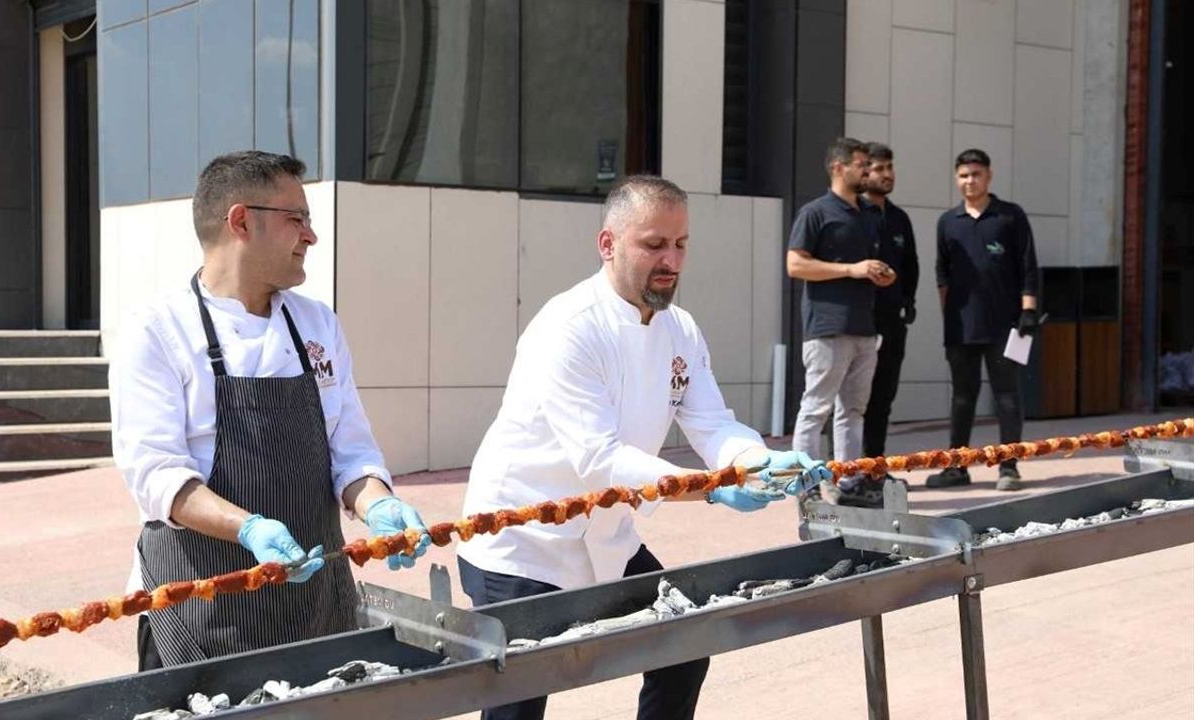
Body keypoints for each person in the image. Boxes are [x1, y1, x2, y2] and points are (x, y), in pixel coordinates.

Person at [455, 175, 831, 720]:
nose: (671, 260)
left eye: (680, 245)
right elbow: (600, 460)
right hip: (521, 541)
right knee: (519, 700)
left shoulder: (680, 329)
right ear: (607, 244)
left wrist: (754, 464)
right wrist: (713, 490)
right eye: (654, 244)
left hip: (606, 536)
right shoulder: (567, 328)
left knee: (683, 648)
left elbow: (711, 423)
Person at [110, 150, 430, 669]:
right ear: (241, 221)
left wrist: (378, 506)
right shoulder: (158, 330)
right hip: (201, 614)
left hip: (317, 609)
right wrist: (250, 528)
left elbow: (350, 453)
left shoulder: (317, 325)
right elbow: (158, 477)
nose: (311, 236)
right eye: (295, 219)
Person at [786, 138, 894, 507]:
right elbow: (795, 265)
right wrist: (852, 269)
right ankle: (807, 483)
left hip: (865, 327)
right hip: (828, 327)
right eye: (861, 164)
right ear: (838, 167)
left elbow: (860, 268)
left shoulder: (867, 214)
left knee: (853, 411)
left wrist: (877, 273)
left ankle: (850, 482)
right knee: (816, 407)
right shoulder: (816, 212)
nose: (868, 171)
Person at [928, 148, 1039, 491]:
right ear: (956, 178)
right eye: (963, 175)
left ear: (989, 176)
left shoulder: (1010, 216)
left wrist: (1029, 309)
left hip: (1006, 325)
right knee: (963, 397)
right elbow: (941, 273)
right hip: (961, 327)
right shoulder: (948, 222)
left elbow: (1028, 265)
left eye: (976, 174)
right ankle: (956, 467)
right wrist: (949, 317)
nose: (969, 181)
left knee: (1007, 395)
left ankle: (1009, 467)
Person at [861, 143, 919, 491]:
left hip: (892, 323)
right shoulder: (856, 215)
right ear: (863, 172)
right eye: (879, 168)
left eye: (890, 167)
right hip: (860, 323)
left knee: (883, 398)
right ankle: (851, 471)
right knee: (855, 402)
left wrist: (908, 301)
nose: (887, 174)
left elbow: (910, 264)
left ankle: (876, 470)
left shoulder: (899, 218)